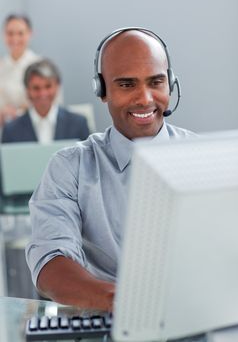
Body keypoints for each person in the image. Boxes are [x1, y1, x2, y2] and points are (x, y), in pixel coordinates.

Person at [26, 27, 196, 311]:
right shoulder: (70, 168)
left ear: (171, 83)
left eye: (156, 82)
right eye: (127, 85)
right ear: (102, 90)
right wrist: (128, 304)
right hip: (109, 323)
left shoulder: (203, 158)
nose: (144, 98)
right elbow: (50, 264)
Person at [1, 58, 90, 143]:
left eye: (48, 86)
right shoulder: (11, 130)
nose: (43, 93)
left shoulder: (78, 124)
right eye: (36, 88)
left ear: (57, 86)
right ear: (27, 90)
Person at [0, 13, 41, 126]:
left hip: (33, 128)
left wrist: (19, 112)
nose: (15, 38)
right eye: (10, 33)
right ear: (4, 35)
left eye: (20, 33)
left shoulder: (40, 66)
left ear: (29, 34)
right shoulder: (1, 67)